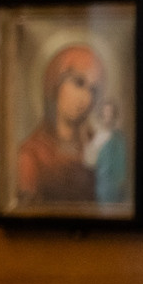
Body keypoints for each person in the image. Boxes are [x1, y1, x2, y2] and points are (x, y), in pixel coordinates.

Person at [15, 41, 103, 205]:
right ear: (55, 82)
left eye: (93, 90)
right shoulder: (32, 153)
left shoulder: (98, 145)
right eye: (78, 83)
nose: (86, 98)